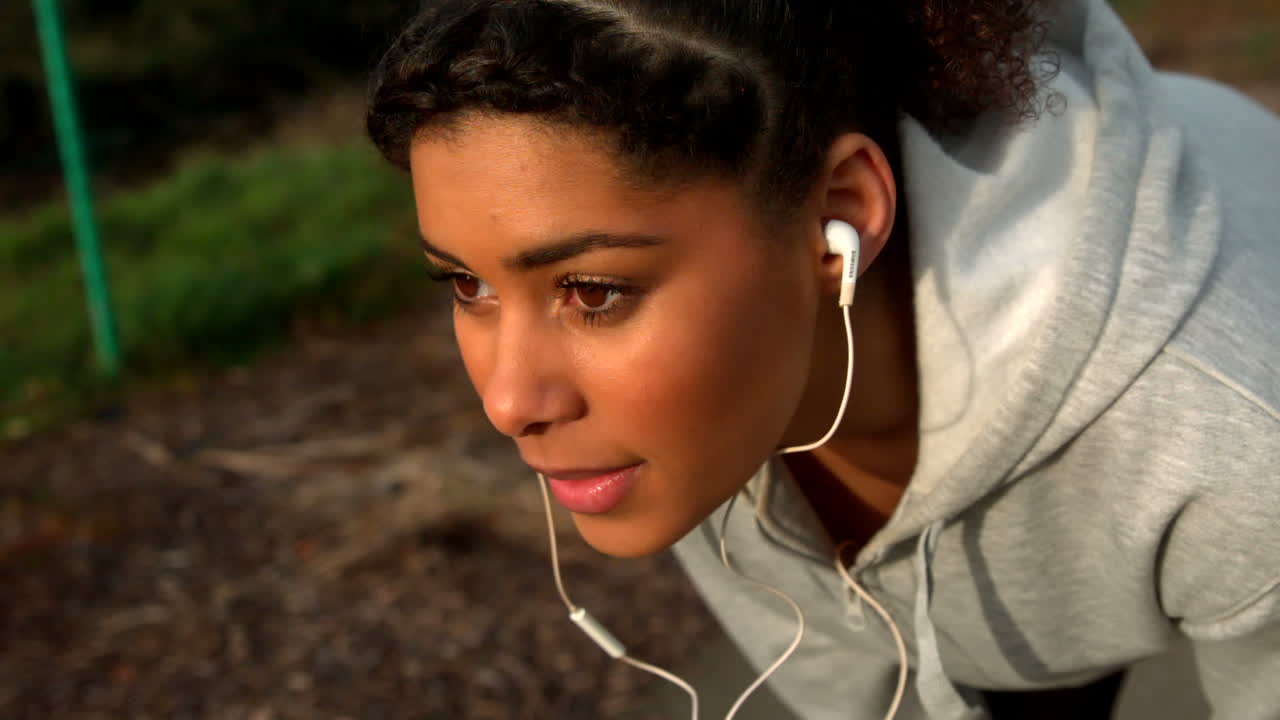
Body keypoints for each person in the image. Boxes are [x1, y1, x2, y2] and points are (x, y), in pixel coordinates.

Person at [365, 0, 1280, 717]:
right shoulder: (704, 397)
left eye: (592, 291)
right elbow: (840, 676)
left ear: (839, 212)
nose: (509, 401)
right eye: (466, 286)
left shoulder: (1229, 443)